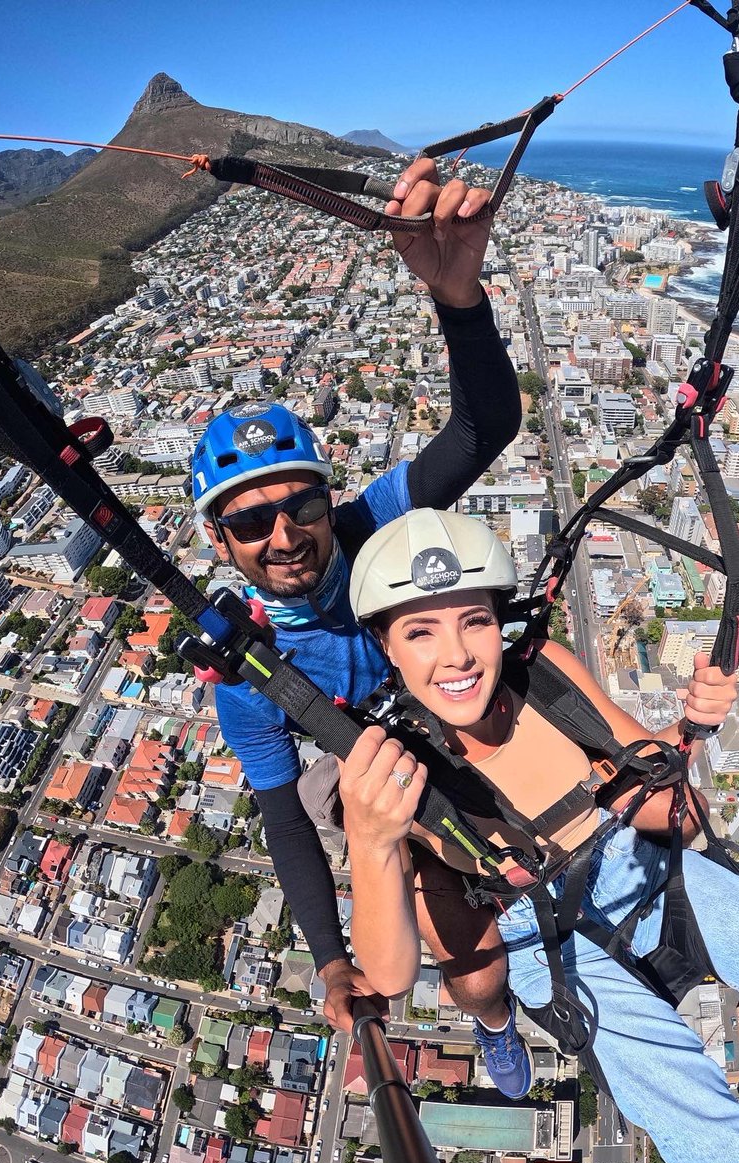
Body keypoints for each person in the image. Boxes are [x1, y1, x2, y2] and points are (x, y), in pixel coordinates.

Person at [338, 508, 739, 1163]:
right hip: (534, 933)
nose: (455, 655)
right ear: (386, 647)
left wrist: (692, 721)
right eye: (420, 632)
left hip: (631, 863)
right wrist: (369, 838)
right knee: (722, 1147)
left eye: (473, 621)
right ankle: (499, 1029)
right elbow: (389, 975)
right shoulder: (386, 767)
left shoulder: (542, 678)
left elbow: (645, 771)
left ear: (497, 622)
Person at [192, 159, 531, 1095]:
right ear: (221, 543)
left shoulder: (368, 525)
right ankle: (499, 1019)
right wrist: (329, 956)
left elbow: (480, 430)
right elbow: (281, 823)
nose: (286, 533)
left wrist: (461, 300)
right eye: (251, 521)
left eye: (298, 503)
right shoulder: (249, 669)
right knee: (467, 957)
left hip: (445, 705)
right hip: (376, 770)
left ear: (326, 496)